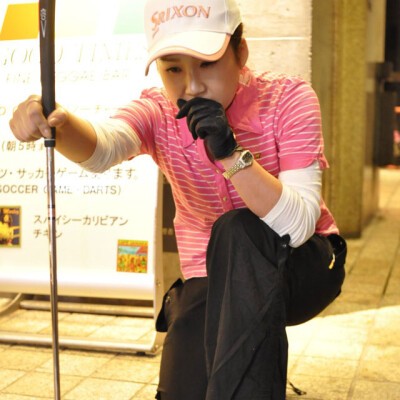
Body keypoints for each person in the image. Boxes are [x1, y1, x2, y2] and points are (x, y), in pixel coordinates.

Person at [9, 0, 347, 398]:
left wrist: (230, 155)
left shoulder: (289, 99)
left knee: (238, 229)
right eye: (173, 69)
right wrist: (57, 125)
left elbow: (299, 225)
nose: (192, 86)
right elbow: (105, 146)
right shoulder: (157, 111)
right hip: (211, 276)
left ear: (240, 53)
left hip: (304, 266)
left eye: (207, 63)